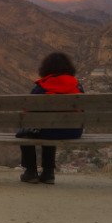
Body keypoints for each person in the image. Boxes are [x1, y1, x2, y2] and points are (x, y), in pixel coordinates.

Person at [18, 50, 83, 183]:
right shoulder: (77, 86)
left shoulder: (41, 87)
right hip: (74, 131)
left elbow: (28, 115)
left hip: (47, 131)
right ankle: (48, 173)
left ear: (46, 68)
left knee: (30, 132)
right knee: (50, 128)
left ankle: (31, 172)